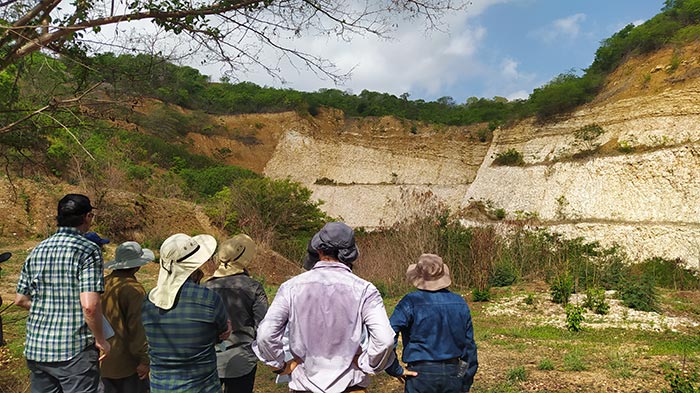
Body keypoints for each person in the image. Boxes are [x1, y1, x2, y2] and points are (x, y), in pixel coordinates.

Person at [253, 222, 396, 393]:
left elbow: (265, 334)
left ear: (319, 251)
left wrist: (279, 365)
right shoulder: (365, 290)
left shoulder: (291, 287)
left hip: (304, 386)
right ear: (350, 255)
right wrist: (366, 362)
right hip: (351, 387)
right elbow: (385, 340)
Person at [14, 193, 111, 393]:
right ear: (87, 217)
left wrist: (49, 308)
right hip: (73, 351)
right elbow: (90, 306)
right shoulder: (88, 250)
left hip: (37, 349)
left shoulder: (37, 250)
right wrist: (101, 340)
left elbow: (20, 299)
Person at [141, 233, 231, 393]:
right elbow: (224, 332)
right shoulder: (208, 299)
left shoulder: (148, 301)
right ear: (194, 267)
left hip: (161, 387)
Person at [384, 254, 478, 393]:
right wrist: (463, 378)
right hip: (453, 372)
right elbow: (469, 348)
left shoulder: (410, 302)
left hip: (420, 375)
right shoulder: (460, 303)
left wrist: (394, 368)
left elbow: (387, 335)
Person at [204, 234, 268, 393]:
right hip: (242, 361)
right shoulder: (254, 287)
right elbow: (263, 326)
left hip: (210, 360)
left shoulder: (205, 288)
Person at [101, 241, 154, 393]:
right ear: (137, 265)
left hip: (102, 361)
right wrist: (145, 360)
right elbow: (138, 329)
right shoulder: (134, 290)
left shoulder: (102, 283)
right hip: (127, 364)